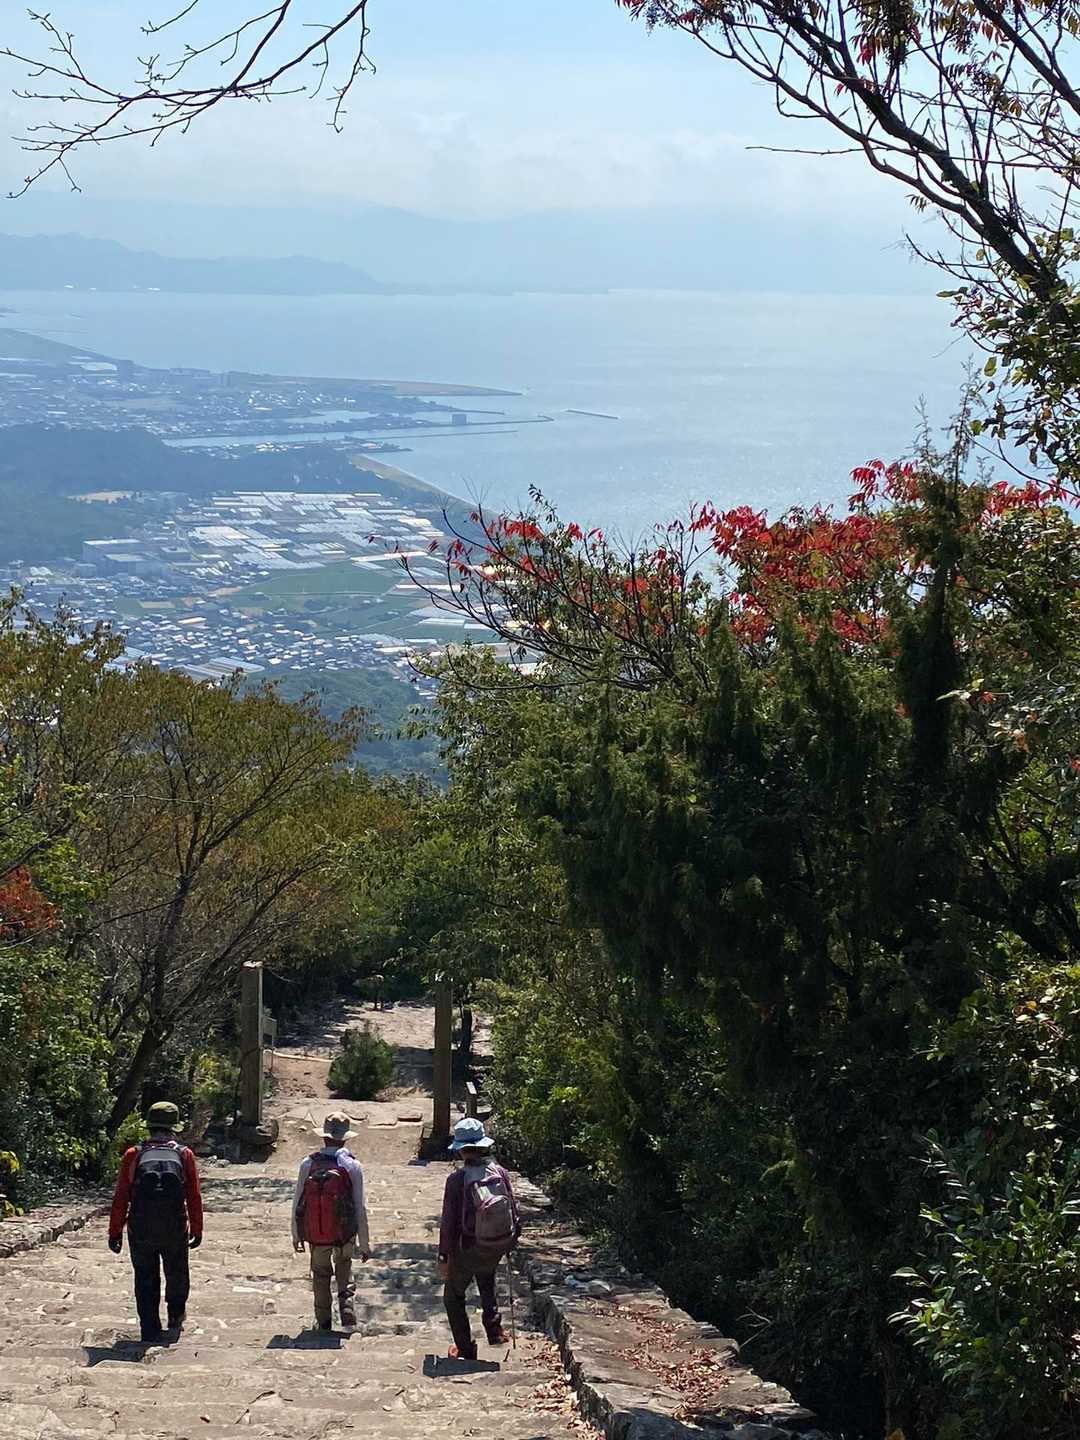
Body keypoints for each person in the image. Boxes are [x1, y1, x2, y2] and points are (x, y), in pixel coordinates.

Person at [108, 1100, 204, 1344]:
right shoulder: (184, 1154)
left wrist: (115, 1231)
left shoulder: (134, 1154)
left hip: (141, 1227)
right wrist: (197, 1227)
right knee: (177, 1272)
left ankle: (149, 1329)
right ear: (174, 1127)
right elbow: (193, 1195)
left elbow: (121, 1196)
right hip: (175, 1226)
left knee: (145, 1276)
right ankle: (175, 1316)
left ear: (149, 1126)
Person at [438, 1116, 520, 1361]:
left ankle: (465, 1348)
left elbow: (448, 1222)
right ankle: (495, 1332)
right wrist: (511, 1240)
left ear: (461, 1149)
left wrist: (444, 1256)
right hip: (496, 1243)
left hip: (467, 1247)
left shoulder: (457, 1180)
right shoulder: (500, 1172)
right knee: (486, 1277)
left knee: (453, 1297)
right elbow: (513, 1209)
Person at [292, 1111, 372, 1330]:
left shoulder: (308, 1163)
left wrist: (296, 1234)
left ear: (324, 1136)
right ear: (345, 1138)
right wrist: (364, 1244)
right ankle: (346, 1303)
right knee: (344, 1264)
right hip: (344, 1232)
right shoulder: (351, 1165)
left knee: (320, 1274)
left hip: (316, 1232)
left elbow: (298, 1200)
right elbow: (359, 1206)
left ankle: (323, 1320)